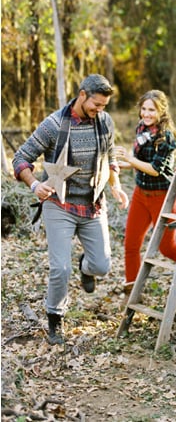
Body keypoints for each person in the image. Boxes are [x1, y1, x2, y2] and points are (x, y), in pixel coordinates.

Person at [13, 74, 129, 346]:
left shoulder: (105, 122)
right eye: (96, 104)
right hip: (59, 205)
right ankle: (55, 319)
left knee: (102, 265)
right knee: (60, 269)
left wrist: (116, 186)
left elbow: (110, 156)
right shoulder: (53, 125)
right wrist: (34, 185)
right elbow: (21, 158)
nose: (99, 110)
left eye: (103, 106)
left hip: (93, 205)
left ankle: (85, 268)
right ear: (81, 95)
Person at [114, 89, 176, 294]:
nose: (147, 113)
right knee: (131, 245)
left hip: (164, 198)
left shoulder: (166, 136)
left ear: (161, 112)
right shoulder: (141, 128)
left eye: (152, 110)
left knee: (166, 248)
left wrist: (130, 159)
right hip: (141, 194)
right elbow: (140, 163)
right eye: (144, 108)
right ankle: (132, 293)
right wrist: (118, 164)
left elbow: (155, 169)